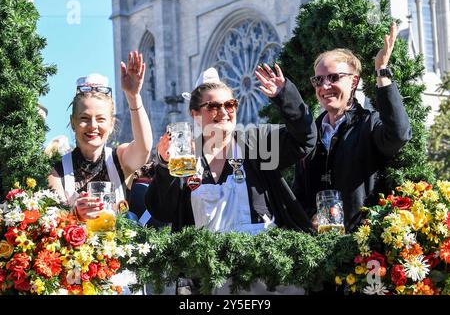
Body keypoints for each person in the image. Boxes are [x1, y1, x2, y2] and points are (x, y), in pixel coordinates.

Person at [146, 66, 317, 294]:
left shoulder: (257, 146)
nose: (224, 112)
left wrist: (284, 95)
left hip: (265, 275)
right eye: (213, 107)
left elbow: (305, 140)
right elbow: (162, 211)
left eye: (230, 105)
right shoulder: (185, 159)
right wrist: (164, 165)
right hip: (207, 278)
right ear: (195, 114)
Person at [291, 23, 412, 233]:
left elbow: (399, 134)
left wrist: (381, 70)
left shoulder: (368, 123)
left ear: (354, 81)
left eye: (334, 77)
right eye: (318, 80)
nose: (324, 86)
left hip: (361, 251)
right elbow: (299, 194)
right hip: (317, 251)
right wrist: (309, 218)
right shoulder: (310, 133)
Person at [48, 51, 152, 218]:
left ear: (111, 124)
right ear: (73, 122)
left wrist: (133, 97)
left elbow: (144, 149)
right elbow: (55, 218)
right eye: (84, 118)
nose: (93, 126)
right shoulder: (57, 170)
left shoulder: (120, 158)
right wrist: (75, 213)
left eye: (101, 119)